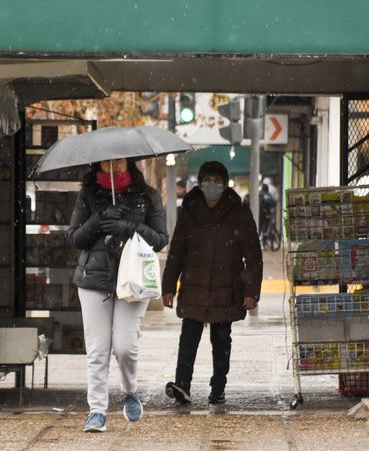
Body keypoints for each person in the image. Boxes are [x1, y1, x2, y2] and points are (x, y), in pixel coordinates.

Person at [68, 157, 168, 432]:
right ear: (97, 165)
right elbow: (75, 238)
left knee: (125, 347)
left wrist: (128, 227)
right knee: (97, 350)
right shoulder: (88, 195)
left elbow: (160, 239)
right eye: (107, 162)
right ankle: (97, 411)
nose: (114, 167)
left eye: (119, 161)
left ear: (129, 162)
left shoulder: (147, 196)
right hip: (94, 280)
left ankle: (130, 390)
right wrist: (99, 219)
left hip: (133, 280)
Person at [161, 161, 263, 405]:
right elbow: (177, 252)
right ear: (199, 183)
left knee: (221, 339)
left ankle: (218, 387)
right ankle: (182, 385)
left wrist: (251, 291)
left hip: (227, 288)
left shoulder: (238, 212)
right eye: (207, 181)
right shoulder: (189, 210)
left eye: (216, 181)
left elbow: (253, 255)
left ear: (225, 184)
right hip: (193, 286)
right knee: (188, 337)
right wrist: (168, 287)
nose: (211, 185)